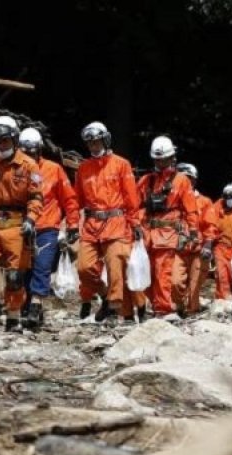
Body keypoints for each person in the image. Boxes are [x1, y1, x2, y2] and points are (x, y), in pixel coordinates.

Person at [0, 116, 44, 331]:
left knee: (14, 276)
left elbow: (36, 197)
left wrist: (31, 219)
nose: (1, 145)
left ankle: (13, 316)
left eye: (5, 140)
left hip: (17, 222)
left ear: (14, 139)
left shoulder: (29, 165)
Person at [74, 120, 143, 324]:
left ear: (105, 140)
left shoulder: (121, 164)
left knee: (115, 266)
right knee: (84, 268)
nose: (93, 146)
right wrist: (71, 223)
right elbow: (77, 200)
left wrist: (135, 222)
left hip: (116, 222)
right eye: (89, 143)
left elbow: (131, 197)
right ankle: (105, 295)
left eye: (96, 141)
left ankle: (114, 308)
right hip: (91, 224)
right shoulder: (83, 169)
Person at [18, 127, 79, 329]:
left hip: (47, 227)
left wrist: (73, 224)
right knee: (24, 268)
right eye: (25, 152)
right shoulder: (15, 170)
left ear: (39, 150)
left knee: (42, 266)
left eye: (32, 152)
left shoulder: (54, 169)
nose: (29, 156)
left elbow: (69, 199)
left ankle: (36, 305)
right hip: (21, 227)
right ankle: (28, 304)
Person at [137, 137, 198, 316]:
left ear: (172, 158)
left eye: (163, 159)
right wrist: (135, 225)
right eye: (157, 160)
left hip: (168, 235)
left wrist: (192, 232)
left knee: (163, 273)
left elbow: (191, 210)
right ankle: (155, 305)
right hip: (147, 234)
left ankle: (163, 310)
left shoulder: (181, 181)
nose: (160, 163)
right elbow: (133, 205)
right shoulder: (146, 180)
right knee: (146, 272)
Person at [177, 162, 214, 315]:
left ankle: (191, 311)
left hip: (197, 250)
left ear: (194, 180)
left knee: (194, 287)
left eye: (188, 178)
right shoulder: (172, 201)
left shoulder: (204, 202)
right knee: (174, 283)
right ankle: (178, 307)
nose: (184, 181)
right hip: (177, 250)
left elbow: (210, 225)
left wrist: (208, 245)